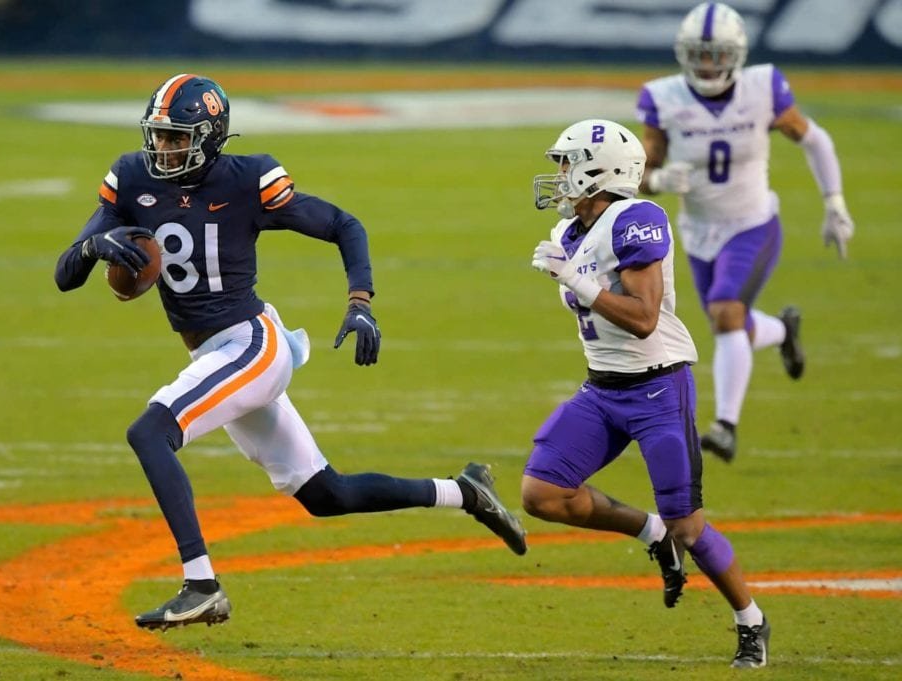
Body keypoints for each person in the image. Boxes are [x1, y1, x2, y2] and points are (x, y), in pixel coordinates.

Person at [54, 73, 526, 631]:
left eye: (178, 137)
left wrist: (360, 301)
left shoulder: (248, 179)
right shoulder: (133, 178)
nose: (164, 148)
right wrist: (91, 245)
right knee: (327, 493)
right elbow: (66, 275)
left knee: (149, 432)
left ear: (210, 136)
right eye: (159, 135)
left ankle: (201, 583)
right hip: (213, 353)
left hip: (250, 343)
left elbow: (344, 225)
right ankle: (465, 493)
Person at [523, 118, 770, 668]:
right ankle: (650, 531)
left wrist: (577, 281)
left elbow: (643, 319)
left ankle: (750, 619)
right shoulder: (572, 233)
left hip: (658, 387)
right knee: (541, 493)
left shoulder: (636, 218)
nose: (559, 175)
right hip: (602, 389)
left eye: (568, 163)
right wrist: (575, 275)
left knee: (691, 522)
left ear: (599, 169)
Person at [636, 2, 855, 462]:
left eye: (716, 54)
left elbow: (814, 138)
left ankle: (726, 426)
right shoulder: (664, 97)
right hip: (697, 233)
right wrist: (656, 180)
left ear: (736, 54)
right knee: (731, 321)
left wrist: (833, 201)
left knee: (724, 313)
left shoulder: (763, 87)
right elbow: (637, 173)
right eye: (699, 53)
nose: (707, 64)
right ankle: (783, 330)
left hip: (753, 223)